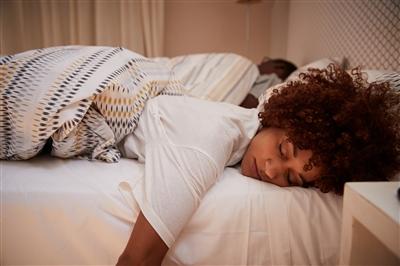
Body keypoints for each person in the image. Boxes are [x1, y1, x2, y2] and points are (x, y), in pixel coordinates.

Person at [117, 64, 400, 265]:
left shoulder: (239, 135)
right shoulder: (209, 137)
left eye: (292, 179)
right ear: (279, 117)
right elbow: (137, 259)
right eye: (283, 149)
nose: (272, 170)